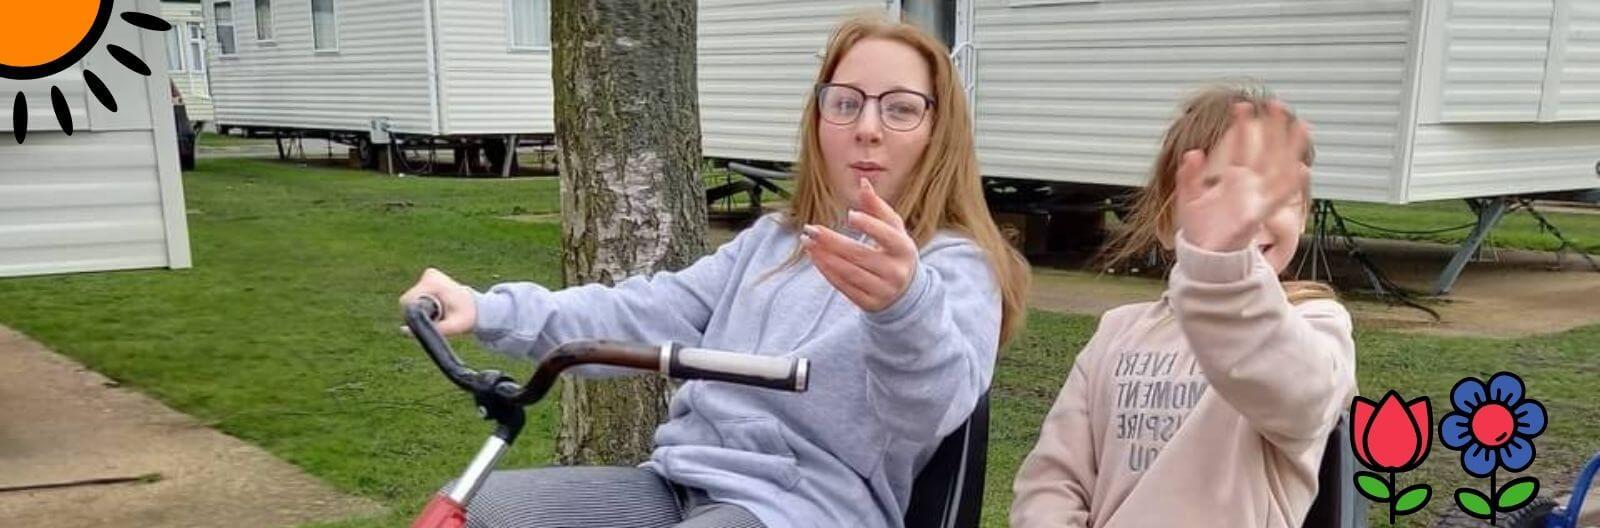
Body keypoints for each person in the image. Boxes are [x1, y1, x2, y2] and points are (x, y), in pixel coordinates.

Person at [399, 14, 1030, 528]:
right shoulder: (775, 240)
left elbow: (935, 407)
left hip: (805, 507)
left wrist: (901, 307)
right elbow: (642, 312)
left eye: (898, 109)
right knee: (473, 509)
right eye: (846, 103)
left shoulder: (955, 268)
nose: (867, 129)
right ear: (820, 121)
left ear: (937, 131)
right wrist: (486, 309)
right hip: (678, 481)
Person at [1009, 81, 1358, 528]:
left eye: (1271, 193)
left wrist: (1223, 271)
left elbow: (1300, 395)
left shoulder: (1315, 324)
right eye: (1217, 190)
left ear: (1303, 214)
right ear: (1164, 221)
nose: (1246, 213)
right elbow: (1055, 478)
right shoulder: (1116, 332)